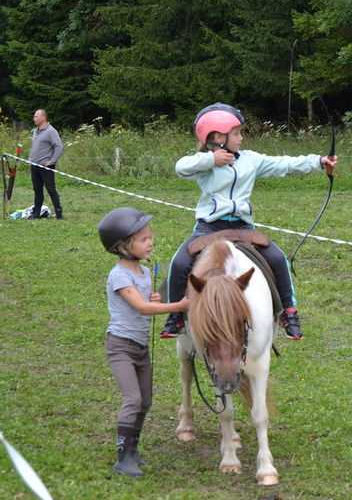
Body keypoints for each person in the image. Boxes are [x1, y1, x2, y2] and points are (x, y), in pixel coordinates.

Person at [159, 102, 338, 340]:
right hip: (209, 227)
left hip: (242, 227)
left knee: (278, 259)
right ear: (218, 137)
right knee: (180, 262)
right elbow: (181, 167)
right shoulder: (204, 163)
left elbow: (283, 164)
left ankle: (289, 312)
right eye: (236, 133)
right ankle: (176, 316)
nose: (241, 138)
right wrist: (212, 160)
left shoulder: (250, 160)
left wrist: (318, 161)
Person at [98, 207, 190, 477]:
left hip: (140, 347)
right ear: (123, 246)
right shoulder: (119, 275)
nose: (150, 243)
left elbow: (146, 301)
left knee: (145, 400)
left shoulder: (144, 272)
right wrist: (178, 305)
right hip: (120, 346)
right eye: (143, 240)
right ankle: (122, 458)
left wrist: (155, 299)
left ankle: (133, 450)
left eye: (150, 237)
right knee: (133, 399)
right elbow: (141, 307)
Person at [28, 109, 64, 219]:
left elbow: (59, 147)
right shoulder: (35, 131)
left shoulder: (51, 131)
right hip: (35, 166)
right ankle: (36, 213)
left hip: (46, 166)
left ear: (43, 118)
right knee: (37, 191)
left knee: (51, 190)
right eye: (34, 117)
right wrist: (30, 159)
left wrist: (52, 161)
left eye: (36, 117)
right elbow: (34, 147)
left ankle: (59, 214)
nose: (34, 119)